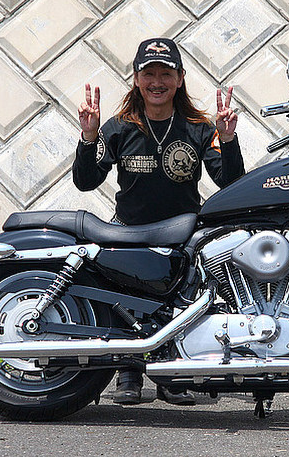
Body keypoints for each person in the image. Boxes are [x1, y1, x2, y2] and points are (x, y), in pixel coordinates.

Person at [73, 38, 245, 405]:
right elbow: (86, 181)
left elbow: (229, 181)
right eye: (148, 74)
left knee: (181, 306)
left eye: (165, 74)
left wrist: (228, 140)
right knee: (127, 305)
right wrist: (89, 137)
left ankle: (173, 376)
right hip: (128, 232)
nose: (157, 82)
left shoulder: (199, 128)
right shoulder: (118, 128)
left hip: (183, 235)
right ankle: (128, 373)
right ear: (136, 79)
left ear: (180, 78)